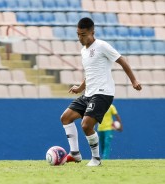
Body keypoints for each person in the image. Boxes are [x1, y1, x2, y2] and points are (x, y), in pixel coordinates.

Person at [60, 17, 142, 166]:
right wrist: (80, 88)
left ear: (92, 32)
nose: (80, 38)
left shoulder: (102, 46)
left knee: (86, 125)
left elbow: (122, 60)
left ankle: (96, 159)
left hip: (103, 93)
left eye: (83, 34)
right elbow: (90, 72)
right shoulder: (83, 51)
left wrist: (134, 80)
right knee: (65, 118)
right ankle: (75, 153)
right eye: (78, 34)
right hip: (88, 94)